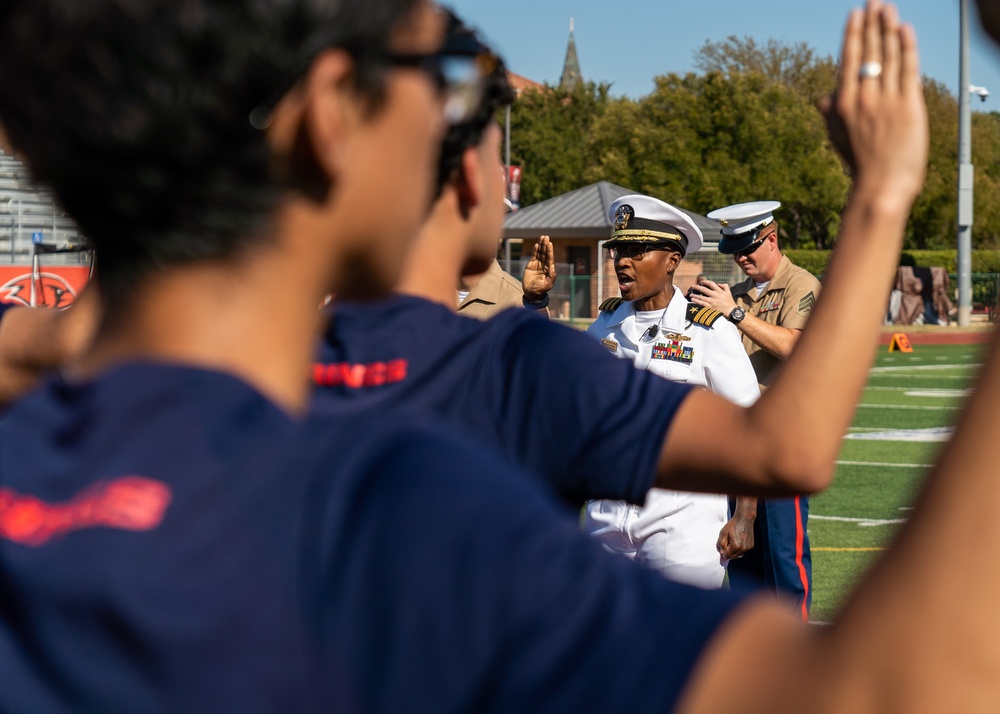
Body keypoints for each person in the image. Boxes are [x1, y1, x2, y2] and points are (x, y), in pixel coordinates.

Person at [584, 195, 760, 588]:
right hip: (608, 516)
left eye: (636, 250)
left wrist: (745, 514)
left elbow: (750, 425)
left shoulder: (708, 331)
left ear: (672, 260)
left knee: (678, 644)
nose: (622, 261)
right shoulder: (605, 326)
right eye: (618, 250)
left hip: (683, 522)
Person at [692, 201, 821, 619]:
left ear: (771, 238)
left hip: (782, 441)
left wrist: (735, 313)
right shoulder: (741, 294)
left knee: (785, 558)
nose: (740, 258)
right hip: (740, 440)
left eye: (747, 248)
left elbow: (794, 346)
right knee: (741, 555)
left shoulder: (801, 285)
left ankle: (797, 660)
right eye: (734, 251)